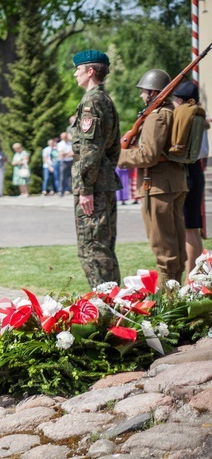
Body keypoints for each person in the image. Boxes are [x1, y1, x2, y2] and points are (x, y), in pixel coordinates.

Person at [118, 68, 187, 283]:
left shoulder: (157, 117)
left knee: (164, 247)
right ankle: (176, 293)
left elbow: (148, 156)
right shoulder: (170, 112)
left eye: (143, 91)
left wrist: (117, 156)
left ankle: (169, 301)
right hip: (171, 183)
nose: (141, 95)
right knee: (174, 244)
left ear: (152, 92)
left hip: (157, 187)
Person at [70, 49, 122, 288]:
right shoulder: (106, 100)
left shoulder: (91, 101)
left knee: (92, 248)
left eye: (78, 70)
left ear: (90, 71)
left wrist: (86, 188)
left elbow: (90, 150)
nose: (75, 74)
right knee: (104, 246)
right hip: (104, 181)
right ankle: (116, 303)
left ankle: (104, 307)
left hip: (94, 187)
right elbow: (113, 149)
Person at [169, 82, 208, 278]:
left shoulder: (190, 118)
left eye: (176, 101)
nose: (175, 105)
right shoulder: (198, 117)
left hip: (189, 172)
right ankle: (197, 275)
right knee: (192, 229)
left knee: (188, 229)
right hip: (195, 171)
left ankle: (190, 280)